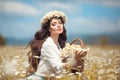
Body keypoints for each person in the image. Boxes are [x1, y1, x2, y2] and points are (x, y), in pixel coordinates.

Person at [26, 11, 87, 80]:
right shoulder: (48, 45)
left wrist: (75, 56)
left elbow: (60, 63)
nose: (58, 25)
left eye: (60, 23)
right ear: (49, 29)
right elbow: (58, 68)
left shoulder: (58, 44)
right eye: (54, 24)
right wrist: (75, 58)